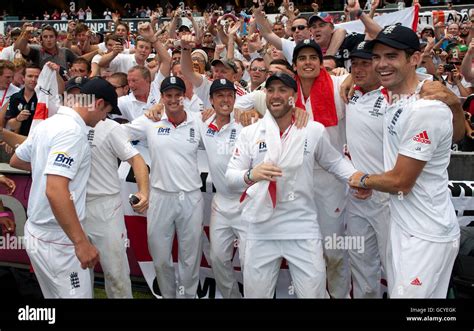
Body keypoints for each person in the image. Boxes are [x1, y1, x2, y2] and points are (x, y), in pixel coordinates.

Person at [225, 73, 367, 298]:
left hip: (301, 226)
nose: (276, 95)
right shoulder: (250, 132)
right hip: (260, 227)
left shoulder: (313, 130)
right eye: (271, 90)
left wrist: (357, 178)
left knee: (313, 294)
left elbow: (334, 162)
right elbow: (231, 177)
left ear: (293, 95)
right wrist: (252, 174)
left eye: (283, 90)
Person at [349, 25, 461, 298]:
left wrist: (363, 179)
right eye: (376, 57)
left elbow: (401, 182)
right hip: (405, 226)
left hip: (426, 234)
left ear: (413, 59)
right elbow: (454, 133)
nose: (381, 64)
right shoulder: (401, 96)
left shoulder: (426, 107)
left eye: (391, 56)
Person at [9, 78, 120, 298]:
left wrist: (45, 167)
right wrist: (81, 243)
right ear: (98, 104)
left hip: (40, 232)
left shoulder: (50, 123)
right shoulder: (72, 132)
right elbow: (55, 190)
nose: (104, 118)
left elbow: (16, 160)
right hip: (58, 240)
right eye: (106, 111)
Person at [123, 76, 204, 298]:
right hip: (160, 197)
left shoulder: (198, 120)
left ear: (184, 97)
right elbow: (120, 135)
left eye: (178, 95)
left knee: (190, 256)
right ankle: (168, 295)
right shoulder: (150, 119)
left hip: (191, 197)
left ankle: (189, 295)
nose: (173, 99)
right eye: (168, 95)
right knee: (159, 257)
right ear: (162, 97)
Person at [5, 64, 41, 136]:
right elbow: (11, 125)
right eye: (30, 76)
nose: (33, 79)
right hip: (21, 140)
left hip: (39, 139)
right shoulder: (15, 97)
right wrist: (18, 119)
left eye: (37, 77)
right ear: (23, 78)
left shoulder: (44, 98)